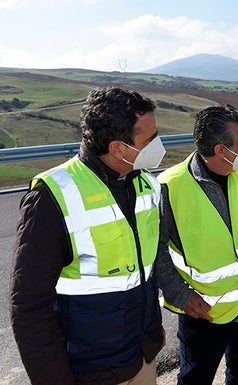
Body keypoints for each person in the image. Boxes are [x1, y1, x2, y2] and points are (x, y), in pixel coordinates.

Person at [10, 87, 167, 385]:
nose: (159, 145)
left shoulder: (146, 182)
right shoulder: (52, 197)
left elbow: (147, 266)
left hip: (141, 354)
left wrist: (152, 328)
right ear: (118, 148)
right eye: (150, 140)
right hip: (91, 371)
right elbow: (28, 306)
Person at [156, 104, 238, 385]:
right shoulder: (170, 186)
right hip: (204, 312)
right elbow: (156, 251)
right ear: (221, 150)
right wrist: (181, 296)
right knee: (195, 379)